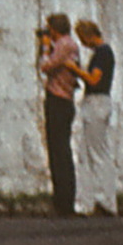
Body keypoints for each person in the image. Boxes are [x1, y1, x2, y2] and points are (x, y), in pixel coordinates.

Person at [72, 17, 117, 215]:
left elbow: (93, 79)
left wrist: (73, 69)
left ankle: (105, 199)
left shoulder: (102, 54)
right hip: (98, 103)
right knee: (90, 153)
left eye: (82, 38)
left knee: (98, 153)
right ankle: (93, 199)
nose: (82, 43)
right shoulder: (103, 53)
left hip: (97, 102)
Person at [37, 12, 79, 215]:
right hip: (62, 99)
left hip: (59, 99)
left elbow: (46, 66)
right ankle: (63, 200)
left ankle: (64, 201)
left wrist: (45, 47)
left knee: (59, 151)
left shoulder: (64, 45)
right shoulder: (67, 44)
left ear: (55, 29)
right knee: (59, 150)